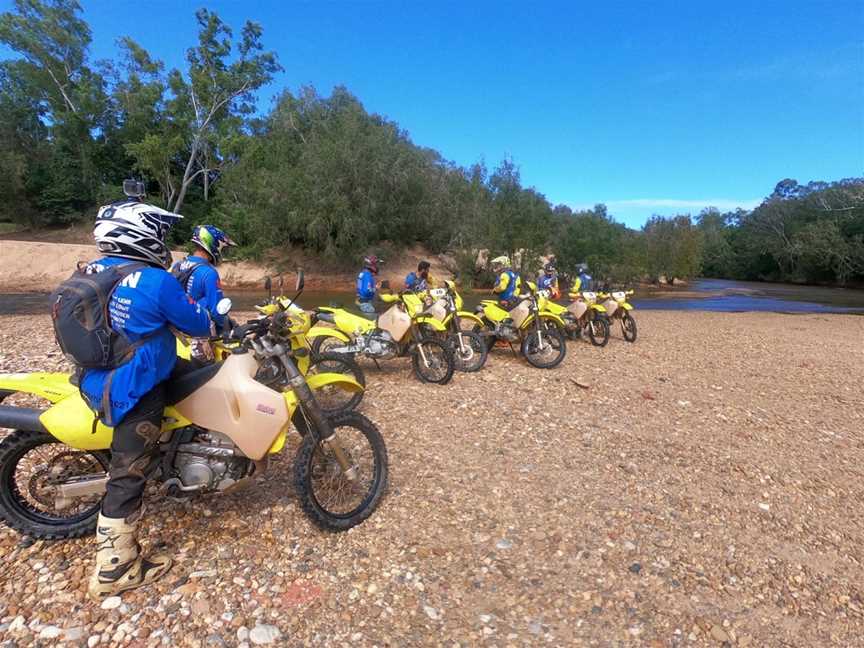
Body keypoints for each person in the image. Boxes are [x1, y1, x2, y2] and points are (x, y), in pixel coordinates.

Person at [81, 193, 214, 600]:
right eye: (158, 231)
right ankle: (113, 568)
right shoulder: (154, 280)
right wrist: (213, 320)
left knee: (203, 378)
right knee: (129, 470)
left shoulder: (94, 270)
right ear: (140, 234)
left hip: (101, 369)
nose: (163, 240)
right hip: (136, 382)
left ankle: (187, 453)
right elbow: (196, 323)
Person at [171, 225, 237, 360]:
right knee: (212, 373)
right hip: (199, 333)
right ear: (213, 244)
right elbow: (217, 311)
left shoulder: (178, 266)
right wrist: (229, 325)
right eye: (222, 248)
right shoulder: (209, 273)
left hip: (177, 329)